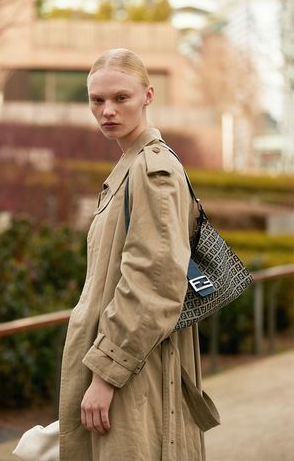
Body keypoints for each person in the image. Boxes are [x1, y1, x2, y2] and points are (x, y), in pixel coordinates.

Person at [59, 48, 218, 461]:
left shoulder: (152, 169)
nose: (107, 110)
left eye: (120, 98)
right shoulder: (131, 164)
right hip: (131, 366)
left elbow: (154, 281)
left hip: (136, 374)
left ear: (147, 96)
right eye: (97, 100)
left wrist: (106, 375)